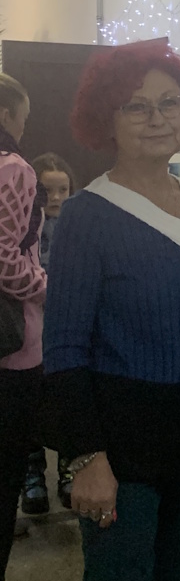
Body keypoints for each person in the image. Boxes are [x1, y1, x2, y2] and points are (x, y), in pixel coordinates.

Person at [42, 40, 180, 581]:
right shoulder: (86, 215)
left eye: (170, 102)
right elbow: (63, 351)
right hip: (122, 455)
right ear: (108, 118)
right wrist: (86, 458)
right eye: (136, 105)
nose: (157, 117)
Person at [0, 73, 47, 581]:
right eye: (23, 119)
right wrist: (51, 288)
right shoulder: (13, 167)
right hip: (12, 344)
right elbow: (6, 262)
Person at [18, 152, 77, 514]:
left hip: (68, 329)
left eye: (62, 189)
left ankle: (69, 469)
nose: (55, 198)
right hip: (30, 330)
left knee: (68, 401)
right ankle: (33, 475)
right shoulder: (22, 227)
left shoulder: (80, 225)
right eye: (46, 190)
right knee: (31, 405)